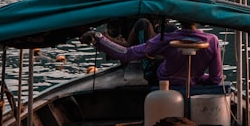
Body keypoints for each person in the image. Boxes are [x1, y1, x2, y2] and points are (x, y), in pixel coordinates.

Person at [80, 20, 223, 90]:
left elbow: (126, 54)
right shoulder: (213, 40)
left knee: (142, 25)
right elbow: (216, 80)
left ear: (179, 18)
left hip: (160, 81)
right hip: (192, 82)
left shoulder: (165, 38)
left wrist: (98, 38)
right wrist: (195, 78)